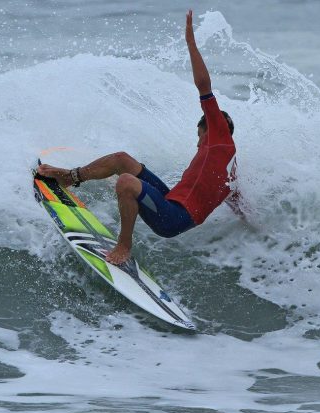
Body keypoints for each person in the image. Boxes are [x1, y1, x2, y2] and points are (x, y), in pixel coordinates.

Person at [38, 9, 240, 265]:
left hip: (174, 218)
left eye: (199, 136)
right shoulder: (227, 161)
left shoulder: (218, 137)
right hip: (171, 202)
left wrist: (190, 43)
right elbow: (234, 196)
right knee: (122, 159)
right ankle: (70, 177)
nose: (198, 143)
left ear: (207, 129)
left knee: (126, 182)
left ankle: (124, 246)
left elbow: (204, 86)